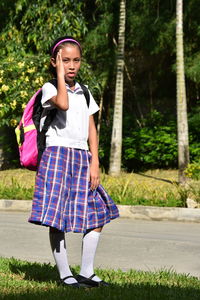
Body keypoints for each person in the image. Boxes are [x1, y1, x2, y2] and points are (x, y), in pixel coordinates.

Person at [28, 36, 119, 288]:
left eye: (76, 60)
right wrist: (57, 75)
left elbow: (91, 129)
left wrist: (95, 162)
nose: (71, 65)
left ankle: (87, 272)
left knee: (98, 212)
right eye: (65, 60)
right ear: (54, 62)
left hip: (82, 157)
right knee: (58, 217)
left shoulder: (85, 91)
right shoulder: (49, 89)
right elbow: (64, 105)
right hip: (57, 156)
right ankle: (65, 273)